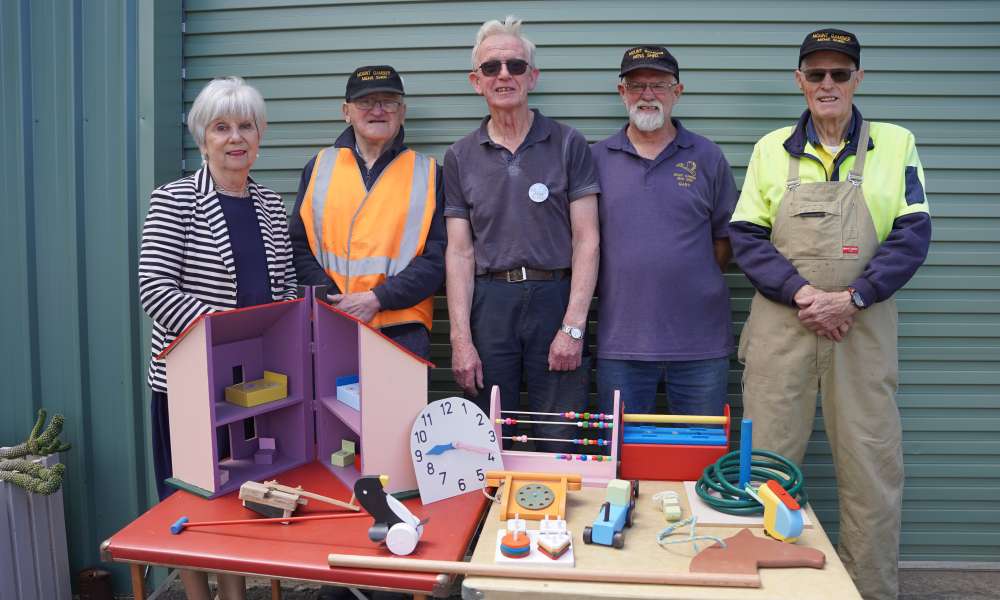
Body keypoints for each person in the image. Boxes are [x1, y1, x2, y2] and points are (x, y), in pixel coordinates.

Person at [730, 29, 931, 600]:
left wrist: (854, 297)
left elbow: (913, 233)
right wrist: (803, 294)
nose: (827, 84)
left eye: (839, 74)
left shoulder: (895, 144)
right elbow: (746, 236)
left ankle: (868, 589)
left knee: (870, 467)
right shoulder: (771, 149)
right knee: (766, 464)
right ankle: (766, 587)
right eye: (815, 74)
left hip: (861, 327)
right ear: (799, 81)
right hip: (782, 325)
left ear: (857, 80)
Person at [138, 76, 297, 600]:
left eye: (246, 126)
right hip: (187, 386)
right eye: (221, 127)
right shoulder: (174, 200)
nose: (235, 138)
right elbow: (154, 290)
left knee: (235, 496)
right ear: (202, 138)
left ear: (261, 134)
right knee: (190, 498)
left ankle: (235, 594)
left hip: (250, 389)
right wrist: (226, 332)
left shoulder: (272, 207)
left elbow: (285, 293)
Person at [444, 16, 600, 451]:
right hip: (490, 303)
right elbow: (459, 253)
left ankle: (557, 517)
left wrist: (572, 327)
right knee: (489, 433)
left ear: (533, 76)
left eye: (515, 65)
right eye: (492, 68)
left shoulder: (569, 144)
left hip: (555, 297)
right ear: (477, 82)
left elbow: (587, 239)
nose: (504, 75)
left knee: (560, 433)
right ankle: (493, 518)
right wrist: (460, 340)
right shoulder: (459, 157)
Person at [591, 46, 737, 418]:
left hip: (699, 346)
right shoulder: (595, 159)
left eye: (659, 84)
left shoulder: (707, 157)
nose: (648, 95)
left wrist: (682, 275)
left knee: (699, 462)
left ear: (678, 91)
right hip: (620, 343)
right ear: (621, 92)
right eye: (637, 85)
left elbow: (726, 242)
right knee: (622, 466)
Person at [289, 65, 444, 360]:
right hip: (327, 321)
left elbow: (437, 259)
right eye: (365, 102)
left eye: (388, 102)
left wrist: (377, 299)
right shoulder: (319, 167)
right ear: (346, 111)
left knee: (398, 408)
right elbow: (298, 246)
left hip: (402, 328)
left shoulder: (430, 173)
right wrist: (331, 299)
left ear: (403, 111)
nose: (378, 110)